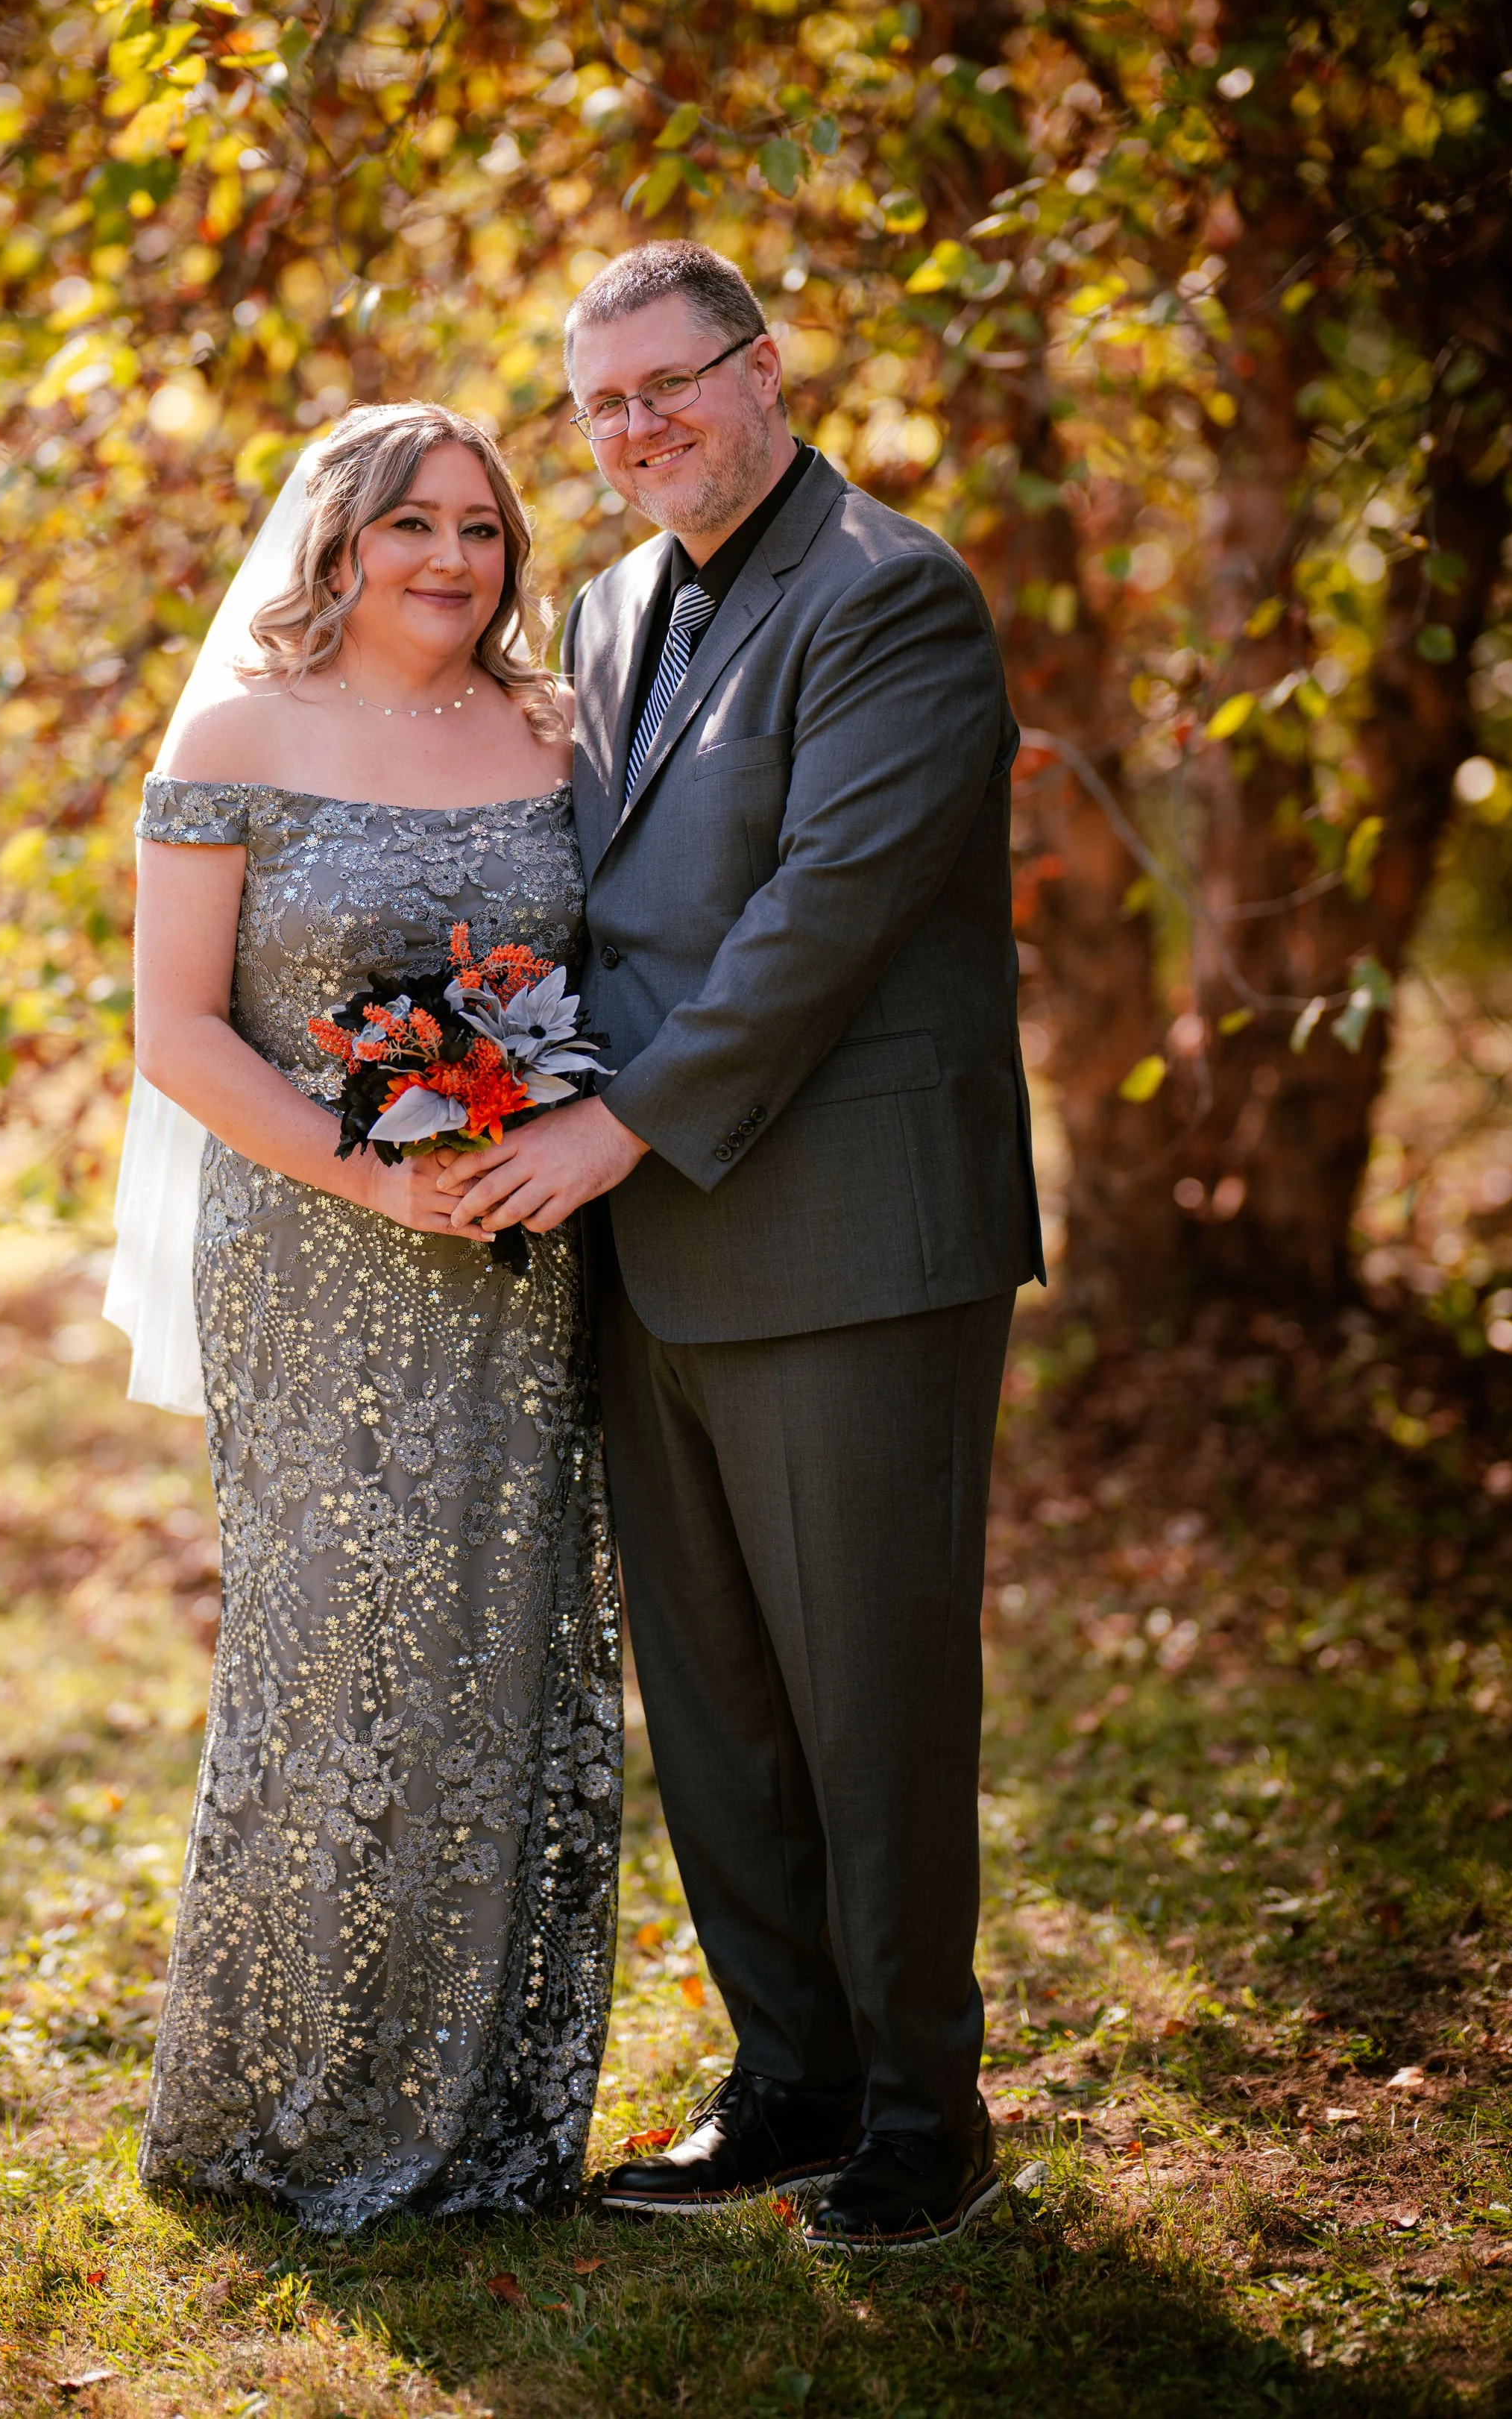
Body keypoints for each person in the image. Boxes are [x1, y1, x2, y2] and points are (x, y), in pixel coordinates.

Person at [447, 242, 1045, 2255]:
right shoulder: (609, 605)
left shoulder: (889, 594)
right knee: (711, 1691)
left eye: (666, 386)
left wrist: (609, 1119)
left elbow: (823, 912)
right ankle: (785, 2073)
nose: (633, 432)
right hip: (648, 1242)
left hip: (856, 1233)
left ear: (763, 367)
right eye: (599, 404)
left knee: (869, 1687)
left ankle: (919, 2103)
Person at [110, 403, 620, 2230]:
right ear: (332, 541)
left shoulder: (554, 727)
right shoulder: (241, 730)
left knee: (509, 1659)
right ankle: (285, 2100)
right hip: (317, 1256)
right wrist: (369, 1167)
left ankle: (488, 2111)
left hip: (524, 1256)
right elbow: (175, 1031)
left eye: (481, 528)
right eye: (409, 525)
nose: (449, 560)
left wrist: (539, 1139)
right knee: (329, 1663)